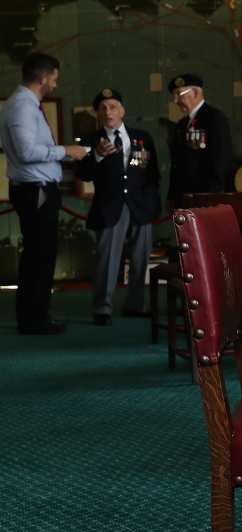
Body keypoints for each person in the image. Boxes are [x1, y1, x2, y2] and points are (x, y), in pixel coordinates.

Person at [0, 52, 89, 335]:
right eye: (54, 78)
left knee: (40, 254)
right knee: (40, 255)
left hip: (37, 189)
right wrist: (67, 152)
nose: (56, 84)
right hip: (34, 191)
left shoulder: (26, 104)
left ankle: (35, 316)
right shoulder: (22, 107)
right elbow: (26, 153)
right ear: (42, 77)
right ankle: (34, 320)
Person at [75, 88, 161, 326]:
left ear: (122, 110)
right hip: (109, 207)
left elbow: (153, 175)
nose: (108, 111)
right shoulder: (91, 140)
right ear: (97, 114)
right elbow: (83, 174)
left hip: (140, 206)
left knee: (140, 259)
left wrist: (153, 204)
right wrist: (98, 156)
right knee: (107, 260)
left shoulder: (142, 137)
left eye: (113, 106)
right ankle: (103, 307)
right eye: (102, 108)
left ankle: (135, 304)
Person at [166, 73, 232, 208]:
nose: (175, 100)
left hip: (205, 199)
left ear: (195, 92)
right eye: (174, 95)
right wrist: (172, 197)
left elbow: (221, 160)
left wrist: (211, 197)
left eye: (179, 94)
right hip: (185, 199)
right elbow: (177, 164)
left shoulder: (214, 118)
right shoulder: (182, 124)